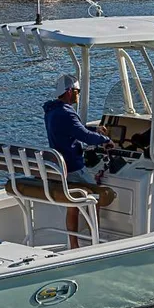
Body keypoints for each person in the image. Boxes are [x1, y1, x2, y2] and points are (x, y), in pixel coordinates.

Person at [43, 74, 114, 249]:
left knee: (73, 205)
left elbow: (75, 129)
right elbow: (84, 137)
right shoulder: (66, 113)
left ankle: (74, 244)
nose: (78, 94)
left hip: (61, 169)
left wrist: (95, 129)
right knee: (96, 198)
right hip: (73, 167)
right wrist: (105, 140)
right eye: (77, 91)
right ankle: (94, 239)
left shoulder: (52, 111)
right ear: (69, 91)